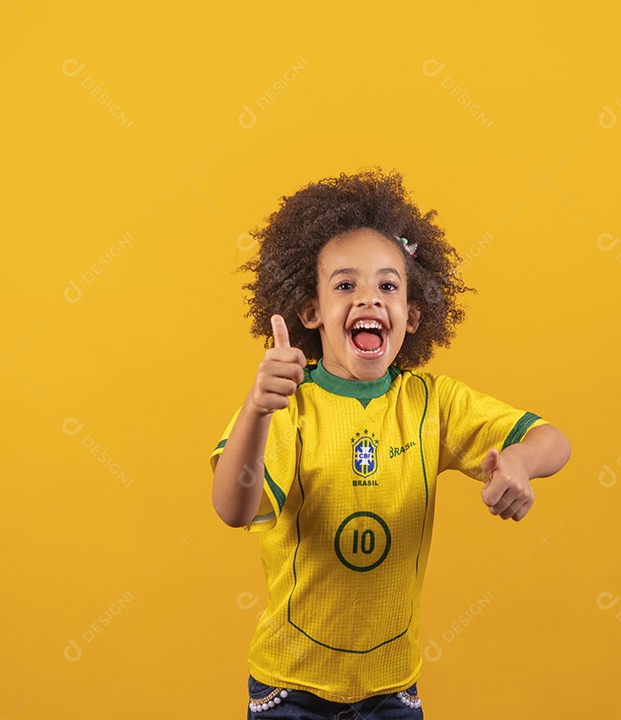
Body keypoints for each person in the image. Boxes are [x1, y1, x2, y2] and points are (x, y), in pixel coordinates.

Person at [209, 169, 571, 718]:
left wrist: (519, 461)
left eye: (387, 285)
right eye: (345, 285)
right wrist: (258, 410)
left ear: (413, 315)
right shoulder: (286, 404)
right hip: (289, 689)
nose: (369, 300)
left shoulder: (434, 404)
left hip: (393, 691)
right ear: (311, 313)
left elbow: (554, 440)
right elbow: (233, 509)